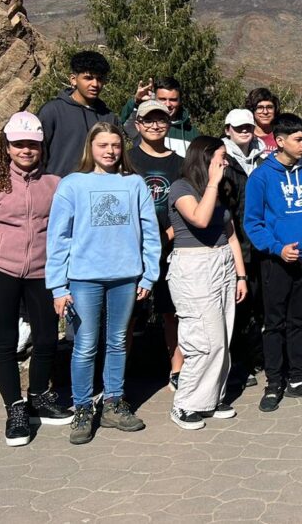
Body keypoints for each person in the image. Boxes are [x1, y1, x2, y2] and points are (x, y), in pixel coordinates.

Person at [46, 122, 161, 445]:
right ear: (90, 148)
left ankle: (113, 402)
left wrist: (149, 274)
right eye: (103, 145)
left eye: (115, 145)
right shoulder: (72, 185)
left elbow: (150, 232)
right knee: (84, 345)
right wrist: (58, 286)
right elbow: (58, 238)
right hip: (84, 279)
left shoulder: (134, 183)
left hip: (126, 277)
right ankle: (83, 407)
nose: (110, 151)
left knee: (118, 341)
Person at [0, 112, 71, 446]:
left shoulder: (54, 185)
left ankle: (38, 395)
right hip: (1, 273)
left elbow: (66, 231)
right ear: (7, 147)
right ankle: (15, 408)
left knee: (46, 339)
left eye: (32, 144)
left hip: (43, 272)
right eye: (19, 144)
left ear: (41, 147)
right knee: (5, 343)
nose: (26, 150)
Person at [244, 113, 302, 411]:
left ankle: (297, 379)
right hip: (276, 262)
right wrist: (277, 248)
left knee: (299, 321)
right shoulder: (262, 176)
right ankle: (273, 383)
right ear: (279, 141)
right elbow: (253, 223)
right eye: (299, 139)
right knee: (274, 323)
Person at [167, 137, 249, 430]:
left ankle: (210, 398)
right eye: (220, 158)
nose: (225, 163)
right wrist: (214, 182)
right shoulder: (181, 188)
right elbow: (200, 220)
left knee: (222, 337)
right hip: (193, 266)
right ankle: (185, 402)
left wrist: (240, 275)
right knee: (203, 338)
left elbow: (230, 235)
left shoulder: (220, 189)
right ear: (204, 158)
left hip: (223, 264)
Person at [127, 100, 184, 389]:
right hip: (132, 250)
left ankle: (177, 371)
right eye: (148, 120)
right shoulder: (127, 160)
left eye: (160, 120)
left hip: (170, 248)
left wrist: (167, 236)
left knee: (171, 311)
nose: (154, 125)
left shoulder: (179, 163)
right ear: (137, 125)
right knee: (129, 314)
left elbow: (186, 205)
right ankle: (118, 377)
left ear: (168, 123)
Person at [222, 109, 267, 386]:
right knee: (236, 306)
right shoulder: (222, 159)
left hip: (261, 242)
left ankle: (255, 357)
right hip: (233, 241)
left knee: (258, 304)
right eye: (238, 127)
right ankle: (237, 362)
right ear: (228, 129)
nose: (244, 130)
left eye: (248, 126)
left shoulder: (263, 159)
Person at [37, 50, 119, 177]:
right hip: (58, 190)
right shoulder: (52, 111)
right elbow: (37, 154)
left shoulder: (108, 116)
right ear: (73, 80)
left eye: (100, 79)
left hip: (97, 192)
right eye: (88, 78)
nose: (95, 84)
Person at [120, 76, 200, 156]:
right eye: (162, 99)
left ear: (180, 101)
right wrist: (136, 101)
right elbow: (125, 121)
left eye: (173, 100)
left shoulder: (192, 133)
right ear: (154, 99)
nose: (168, 104)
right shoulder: (145, 126)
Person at [245, 87, 280, 156]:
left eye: (269, 107)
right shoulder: (244, 136)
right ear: (252, 110)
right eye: (260, 107)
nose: (265, 112)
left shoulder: (282, 135)